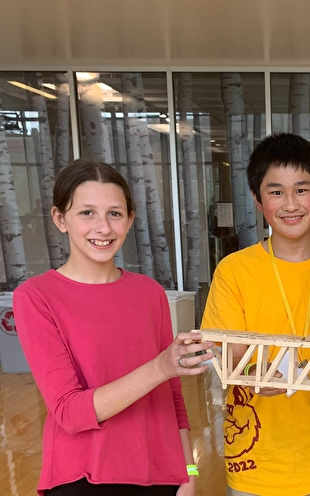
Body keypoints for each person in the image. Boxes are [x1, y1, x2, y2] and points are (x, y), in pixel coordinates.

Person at [13, 158, 213, 496]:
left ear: (130, 219)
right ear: (60, 219)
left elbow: (172, 395)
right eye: (86, 213)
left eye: (115, 214)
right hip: (84, 477)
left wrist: (188, 469)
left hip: (160, 473)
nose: (103, 228)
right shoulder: (36, 297)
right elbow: (69, 412)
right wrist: (160, 367)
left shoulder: (148, 292)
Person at [201, 133, 310, 496]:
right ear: (257, 198)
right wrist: (253, 372)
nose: (290, 204)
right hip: (254, 465)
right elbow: (221, 351)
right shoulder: (234, 270)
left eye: (302, 189)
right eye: (276, 191)